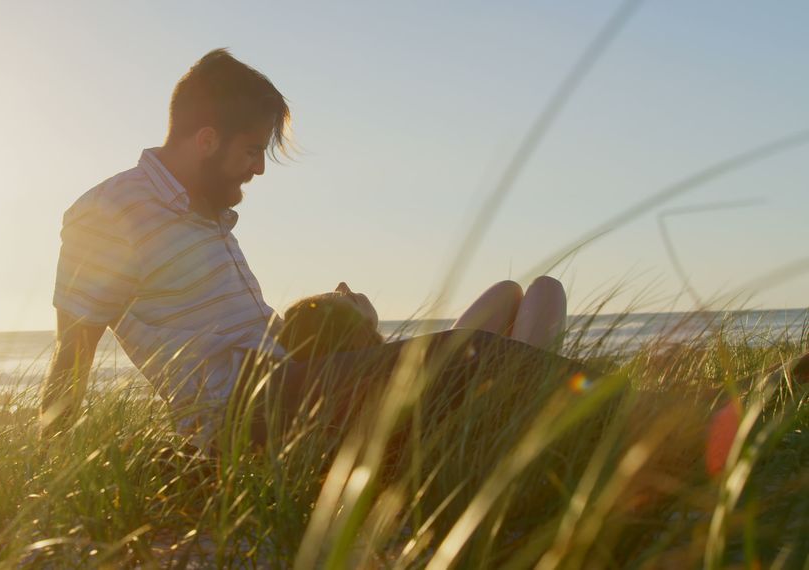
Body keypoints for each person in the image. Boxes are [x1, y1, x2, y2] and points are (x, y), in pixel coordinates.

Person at [39, 48, 578, 444]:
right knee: (480, 356)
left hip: (293, 380)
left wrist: (337, 329)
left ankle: (515, 420)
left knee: (512, 304)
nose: (258, 166)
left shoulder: (204, 216)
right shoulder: (110, 212)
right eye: (253, 149)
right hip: (248, 412)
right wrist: (47, 468)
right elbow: (74, 348)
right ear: (207, 140)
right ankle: (545, 425)